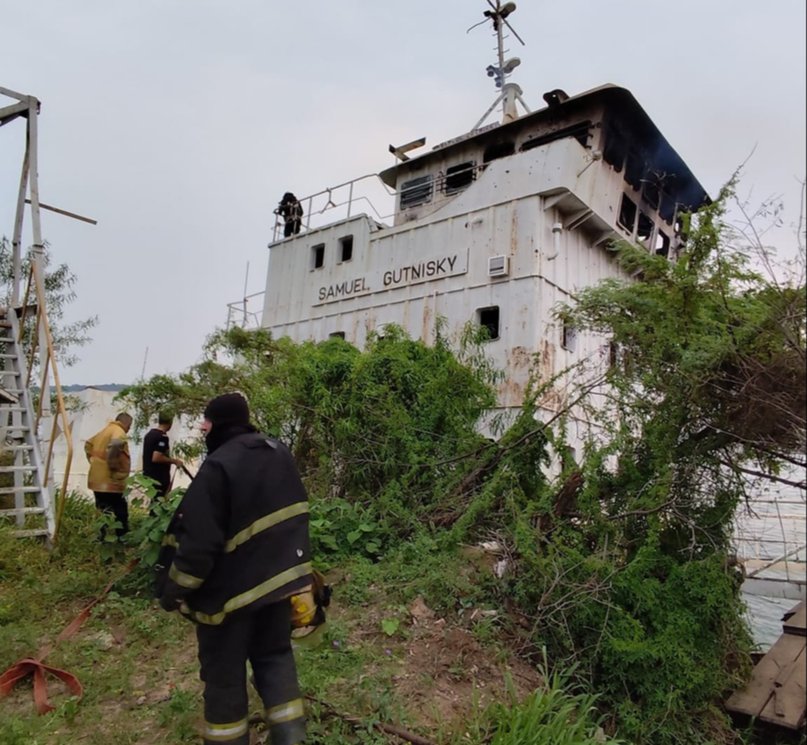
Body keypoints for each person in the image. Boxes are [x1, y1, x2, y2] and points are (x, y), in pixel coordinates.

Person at [155, 393, 311, 745]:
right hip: (277, 591)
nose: (202, 428)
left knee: (224, 679)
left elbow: (198, 545)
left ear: (217, 423)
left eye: (205, 422)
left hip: (228, 603)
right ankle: (291, 738)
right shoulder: (278, 452)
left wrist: (173, 591)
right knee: (275, 658)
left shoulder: (219, 465)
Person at [84, 412, 133, 538]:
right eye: (130, 426)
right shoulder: (119, 431)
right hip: (111, 480)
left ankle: (101, 537)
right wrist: (112, 463)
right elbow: (116, 444)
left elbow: (88, 444)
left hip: (96, 479)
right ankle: (122, 537)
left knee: (102, 509)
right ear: (126, 423)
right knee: (120, 509)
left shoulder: (105, 431)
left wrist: (93, 461)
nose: (129, 429)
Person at [142, 412, 183, 501]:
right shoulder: (162, 437)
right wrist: (175, 461)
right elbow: (156, 457)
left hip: (149, 475)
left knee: (154, 501)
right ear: (170, 422)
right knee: (160, 501)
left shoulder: (149, 434)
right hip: (159, 477)